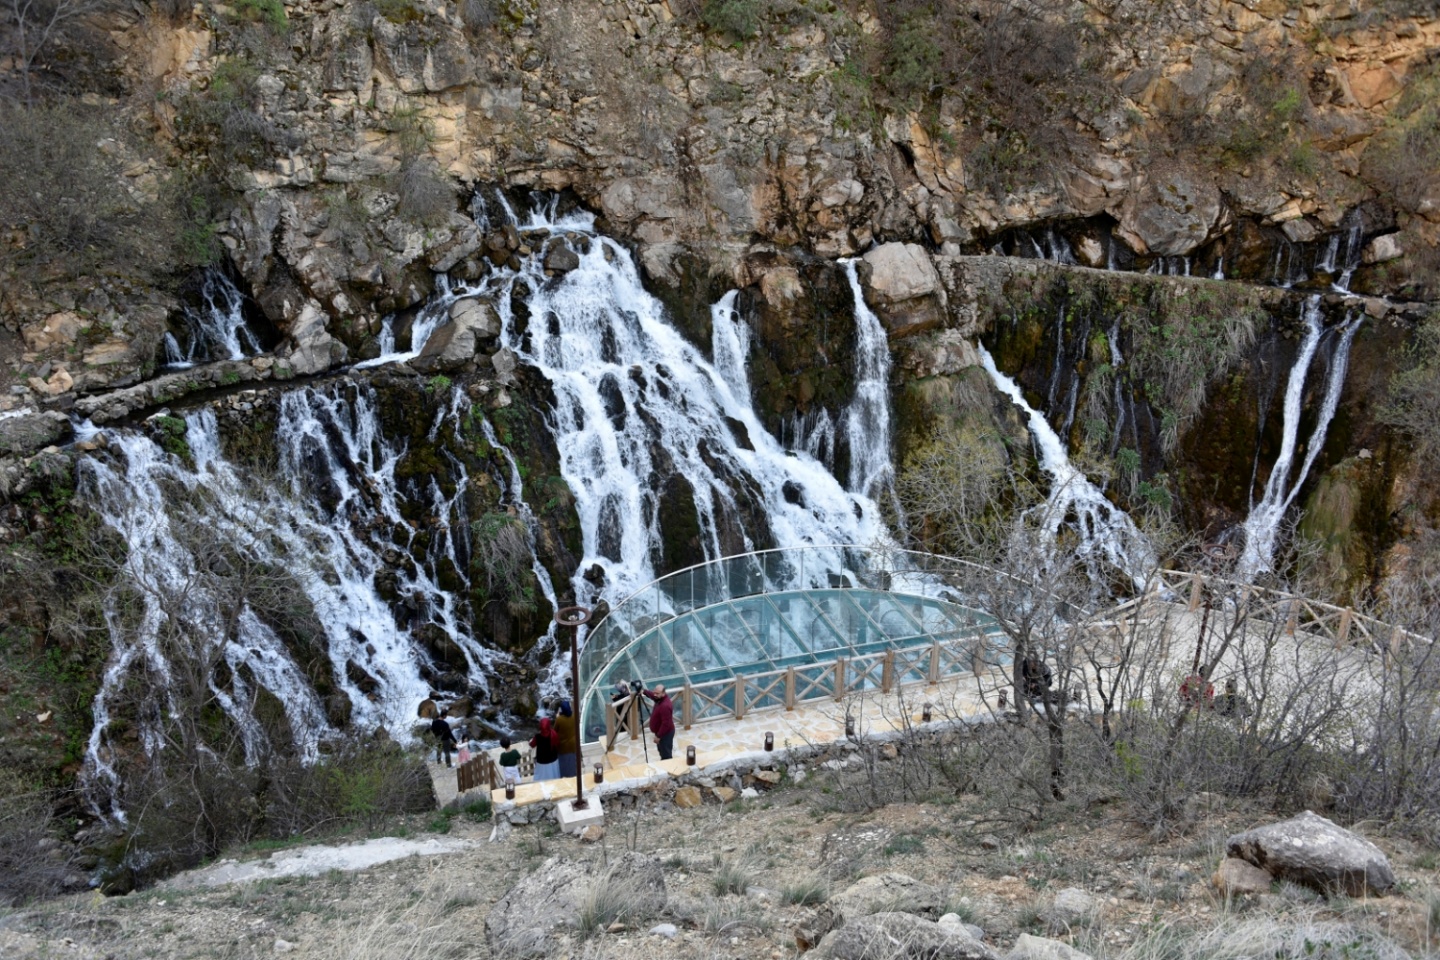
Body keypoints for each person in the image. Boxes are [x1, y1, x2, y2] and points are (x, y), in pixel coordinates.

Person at [645, 684, 675, 760]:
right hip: (661, 732)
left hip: (665, 734)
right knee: (661, 751)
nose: (655, 694)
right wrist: (644, 691)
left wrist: (658, 736)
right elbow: (653, 695)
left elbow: (666, 724)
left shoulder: (665, 705)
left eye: (657, 693)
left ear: (663, 693)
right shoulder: (659, 698)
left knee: (666, 755)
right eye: (654, 692)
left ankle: (668, 769)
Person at [530, 717, 560, 781]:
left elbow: (532, 744)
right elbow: (557, 743)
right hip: (553, 760)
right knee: (554, 776)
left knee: (541, 778)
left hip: (542, 762)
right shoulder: (554, 734)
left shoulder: (537, 737)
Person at [554, 700, 578, 778]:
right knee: (572, 762)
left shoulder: (559, 720)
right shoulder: (574, 716)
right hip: (572, 744)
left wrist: (557, 717)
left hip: (563, 746)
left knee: (563, 764)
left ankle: (564, 777)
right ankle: (573, 776)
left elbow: (555, 731)